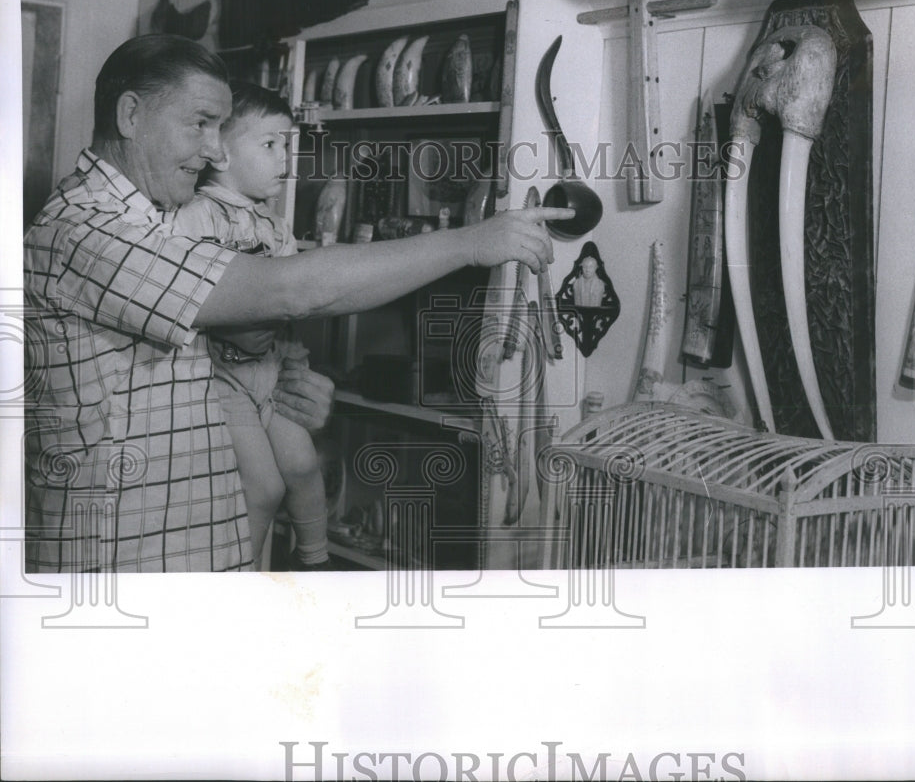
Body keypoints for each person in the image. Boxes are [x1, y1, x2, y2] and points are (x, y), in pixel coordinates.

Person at [23, 34, 570, 572]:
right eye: (200, 123)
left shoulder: (158, 220)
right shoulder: (87, 230)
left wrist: (292, 388)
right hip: (122, 580)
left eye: (221, 128)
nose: (216, 150)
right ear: (131, 116)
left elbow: (190, 367)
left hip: (185, 560)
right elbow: (292, 290)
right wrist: (470, 242)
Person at [171, 82, 328, 570]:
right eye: (269, 144)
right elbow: (180, 297)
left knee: (303, 464)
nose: (285, 158)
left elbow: (292, 305)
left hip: (273, 373)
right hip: (224, 382)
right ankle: (236, 581)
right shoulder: (196, 217)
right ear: (219, 151)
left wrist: (295, 357)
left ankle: (316, 562)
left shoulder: (275, 226)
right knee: (264, 487)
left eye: (287, 144)